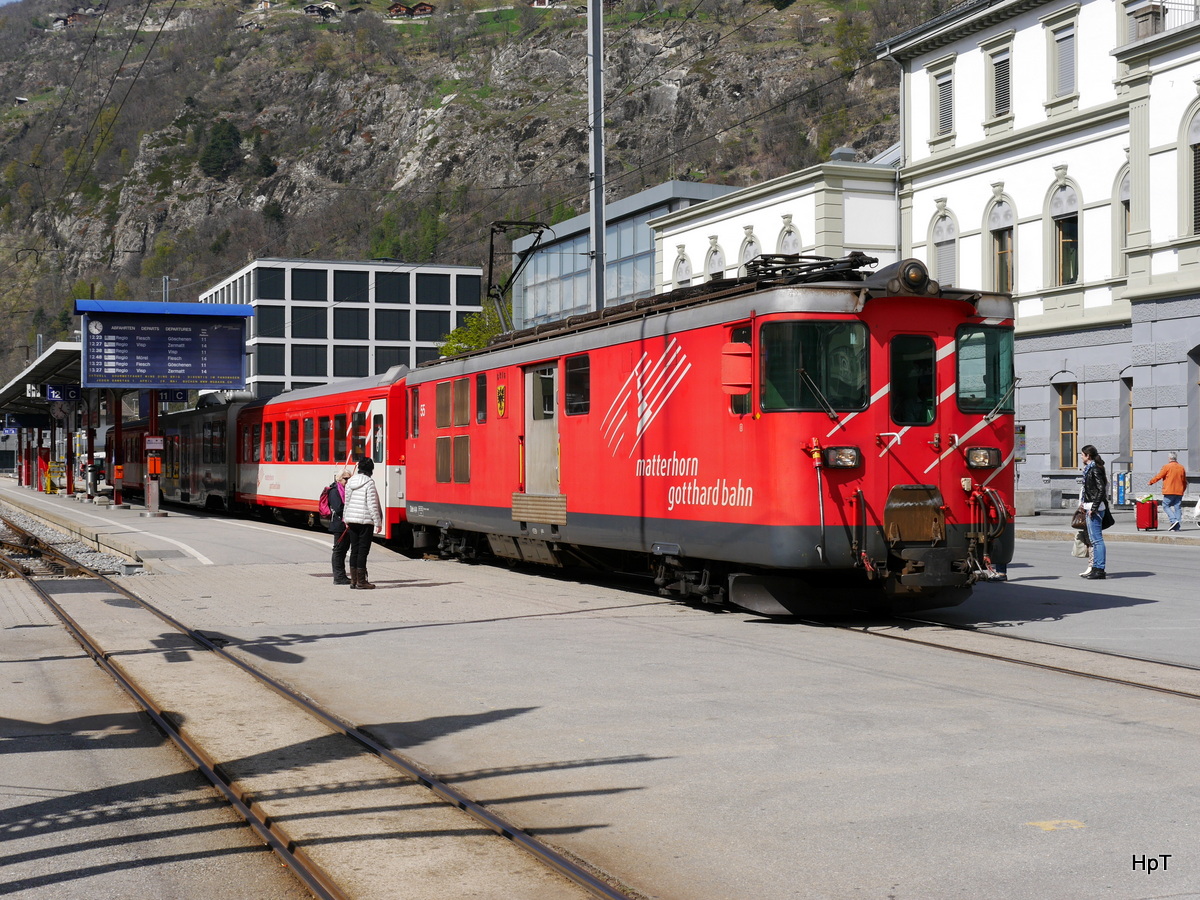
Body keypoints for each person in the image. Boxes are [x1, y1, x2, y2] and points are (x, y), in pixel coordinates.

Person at [342, 457, 383, 589]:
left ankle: (353, 581)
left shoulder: (350, 482)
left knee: (354, 549)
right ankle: (361, 581)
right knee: (363, 551)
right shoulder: (369, 483)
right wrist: (378, 522)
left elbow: (346, 502)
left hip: (352, 520)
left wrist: (346, 519)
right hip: (365, 521)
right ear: (370, 469)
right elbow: (372, 505)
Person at [1079, 444, 1109, 580]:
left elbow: (1101, 489)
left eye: (1082, 454)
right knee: (1094, 539)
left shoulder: (1094, 469)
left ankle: (1099, 569)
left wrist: (1094, 507)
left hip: (1095, 508)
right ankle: (1096, 567)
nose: (1081, 457)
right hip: (1089, 506)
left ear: (1088, 456)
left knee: (1097, 540)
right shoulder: (1089, 469)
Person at [1148, 451, 1187, 532]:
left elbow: (1159, 476)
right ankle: (1177, 527)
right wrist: (1183, 489)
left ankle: (1173, 521)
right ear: (1176, 458)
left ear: (1169, 458)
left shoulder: (1167, 467)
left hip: (1169, 490)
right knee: (1177, 508)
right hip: (1179, 491)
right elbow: (1184, 481)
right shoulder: (1181, 467)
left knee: (1165, 505)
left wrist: (1151, 482)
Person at [330, 467, 352, 585]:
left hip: (345, 524)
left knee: (343, 550)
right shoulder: (334, 490)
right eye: (346, 479)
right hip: (339, 524)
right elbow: (338, 508)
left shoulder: (345, 490)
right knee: (338, 550)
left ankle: (341, 575)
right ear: (339, 478)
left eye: (349, 478)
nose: (348, 481)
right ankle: (338, 577)